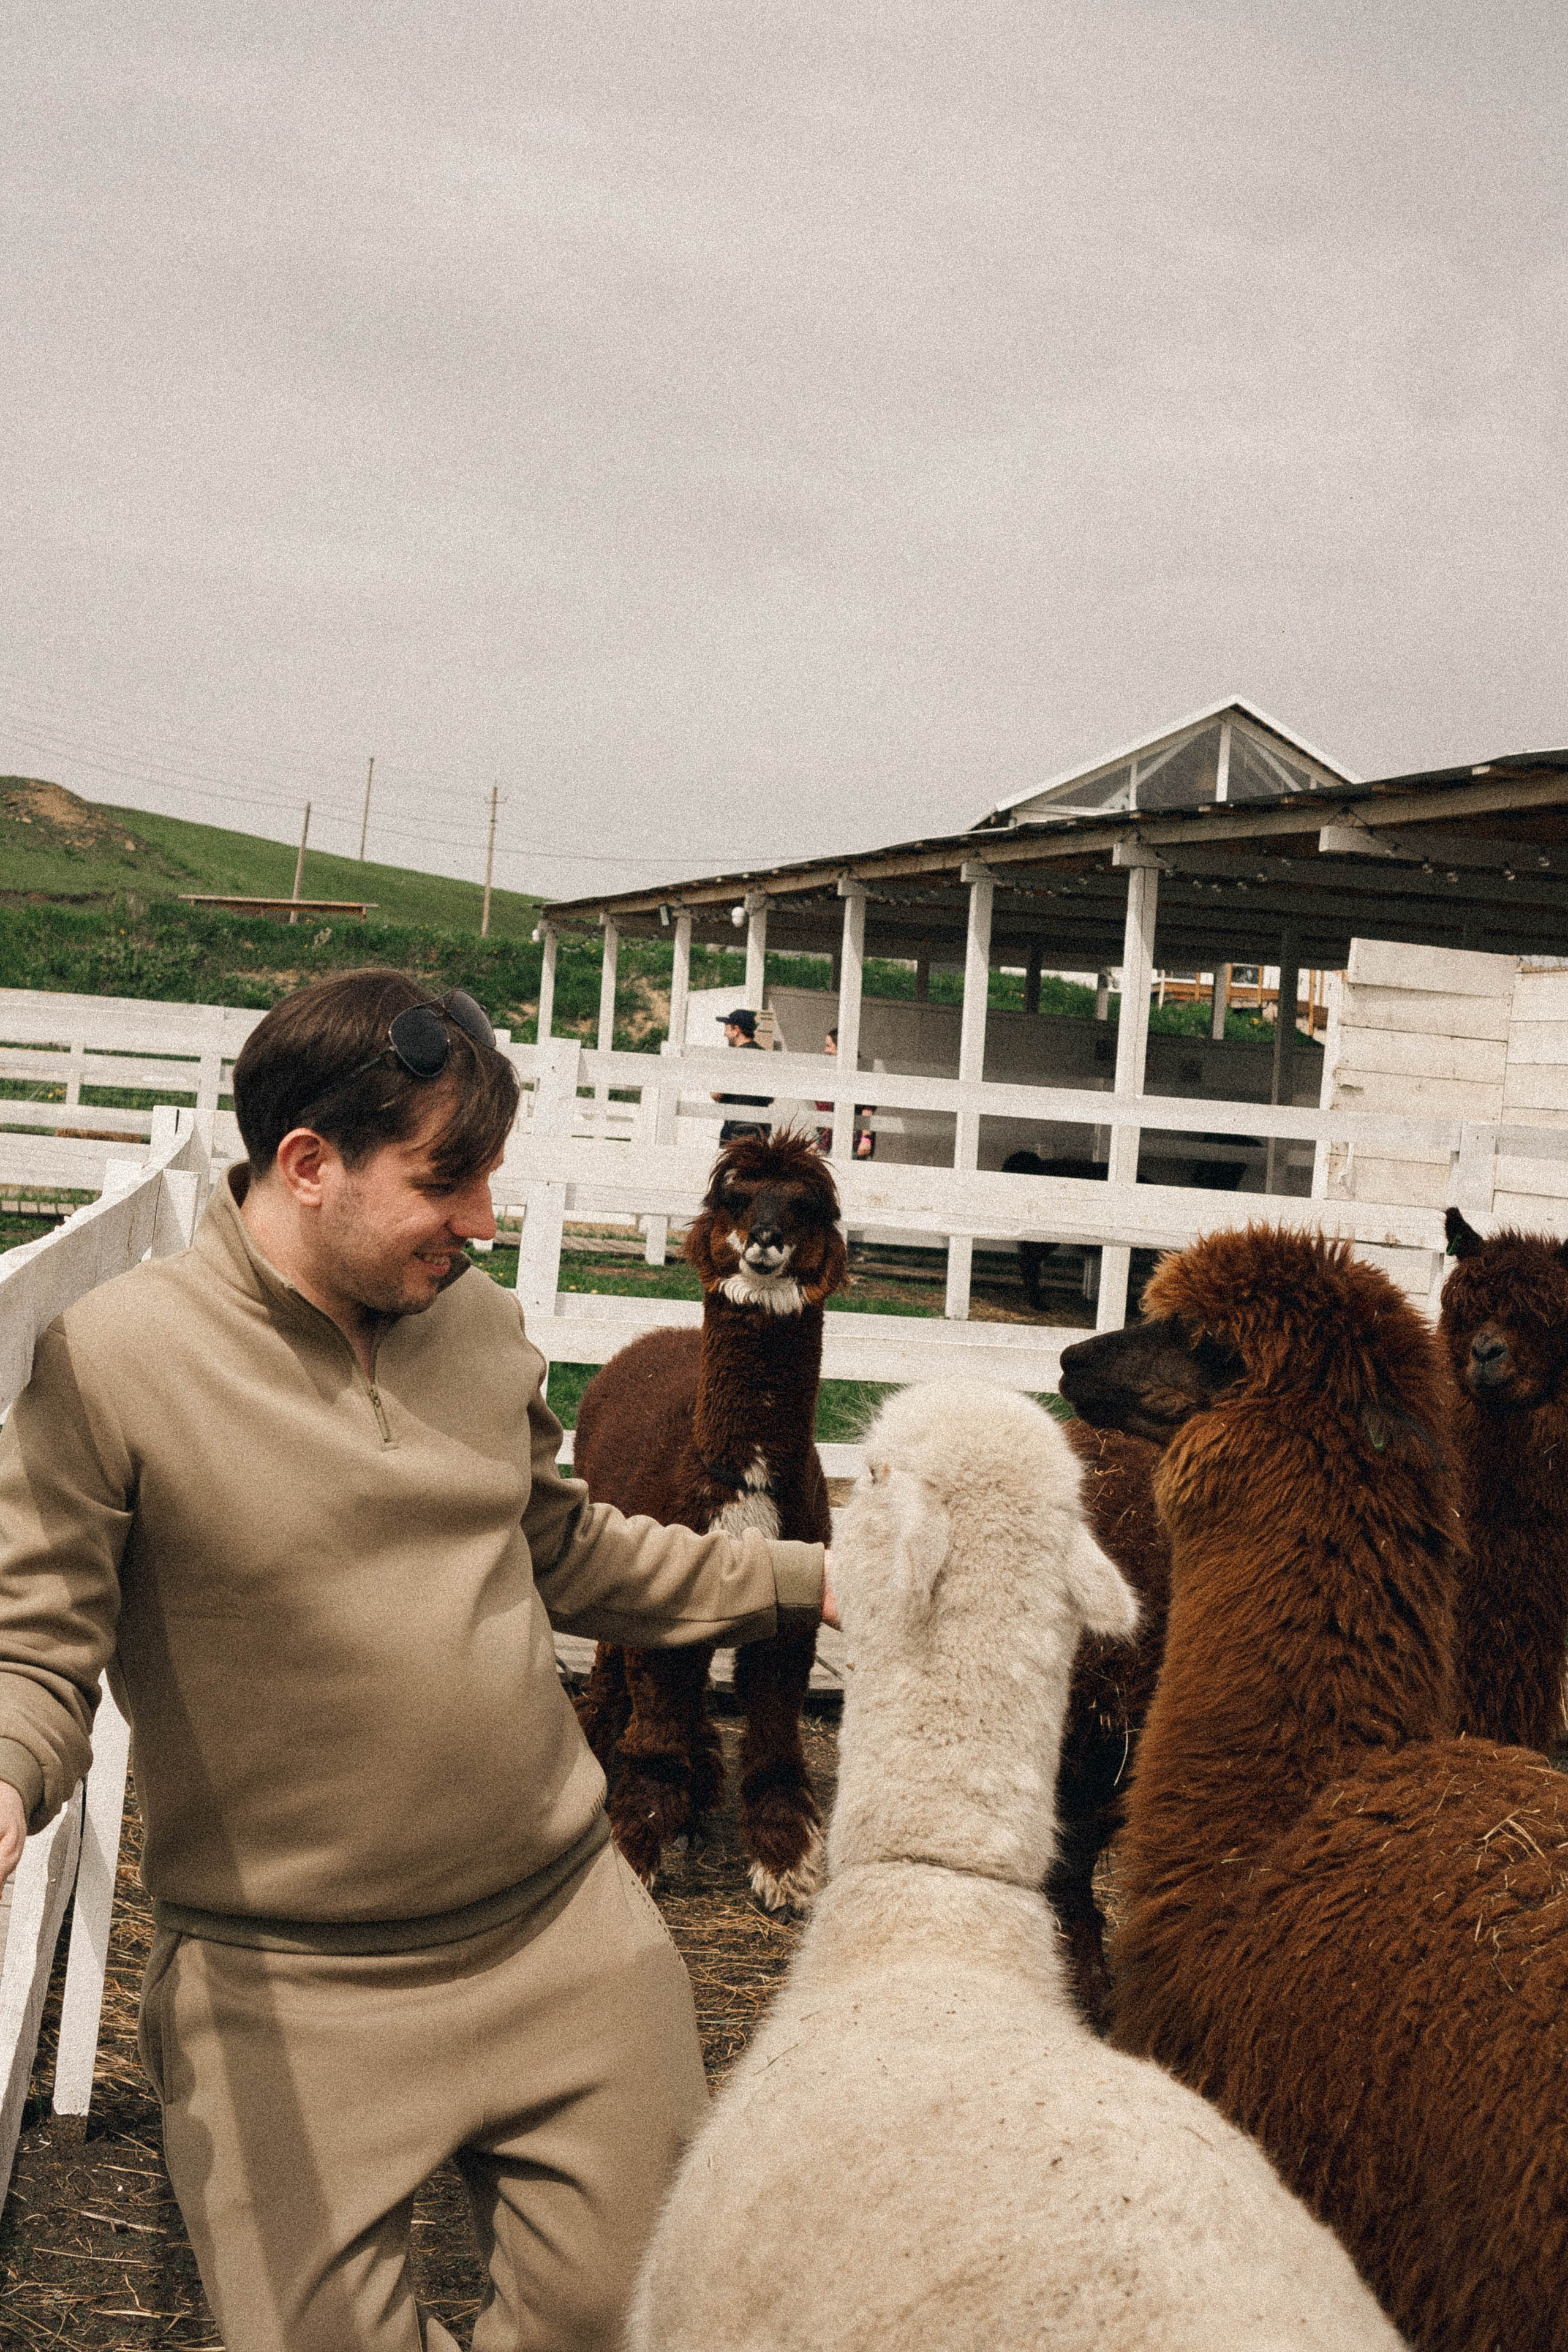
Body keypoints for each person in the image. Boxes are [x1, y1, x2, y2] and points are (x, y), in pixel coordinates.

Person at [0, 968, 835, 2352]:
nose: (481, 1220)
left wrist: (826, 1578)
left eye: (490, 1177)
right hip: (286, 1989)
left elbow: (570, 1554)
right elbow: (38, 1640)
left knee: (637, 2317)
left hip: (566, 1937)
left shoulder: (480, 1327)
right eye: (447, 1179)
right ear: (309, 1163)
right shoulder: (116, 1362)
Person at [709, 1005, 772, 1142]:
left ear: (736, 1030)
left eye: (727, 1028)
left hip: (737, 1125)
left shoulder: (733, 1057)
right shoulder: (765, 1056)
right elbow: (771, 1097)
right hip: (761, 1126)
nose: (725, 1034)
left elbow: (716, 1094)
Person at [815, 1027, 876, 1158]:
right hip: (831, 1141)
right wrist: (817, 1141)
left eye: (829, 1046)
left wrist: (866, 1139)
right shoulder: (832, 1074)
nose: (826, 1051)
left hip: (852, 1144)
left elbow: (867, 1108)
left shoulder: (859, 1075)